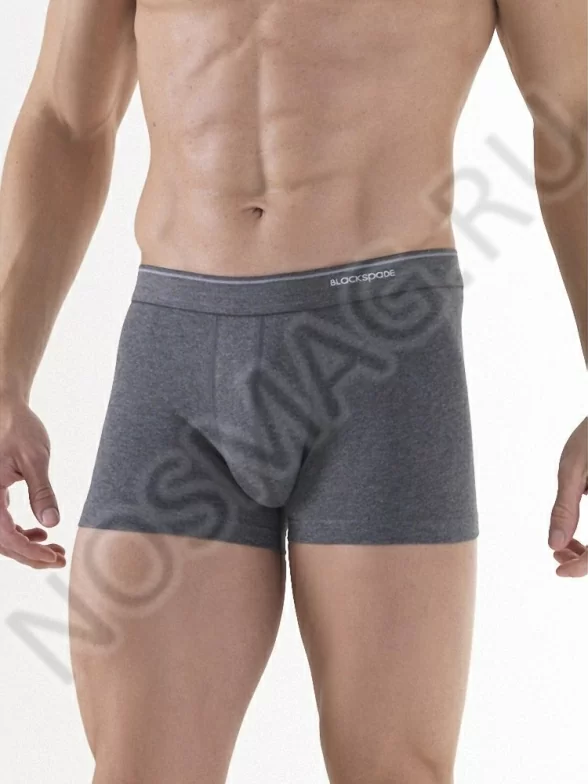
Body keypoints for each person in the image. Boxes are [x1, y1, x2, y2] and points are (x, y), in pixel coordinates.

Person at [0, 0, 586, 782]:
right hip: (176, 349)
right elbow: (66, 117)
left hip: (378, 359)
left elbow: (574, 114)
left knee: (394, 773)